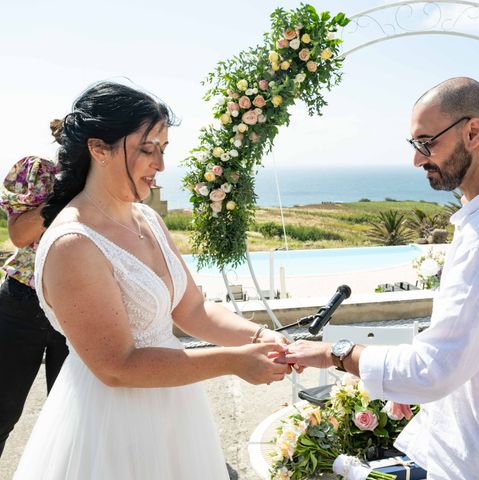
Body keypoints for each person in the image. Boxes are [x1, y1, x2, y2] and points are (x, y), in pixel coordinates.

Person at [284, 77, 479, 479]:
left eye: (427, 143)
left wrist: (332, 353)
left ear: (473, 132)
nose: (418, 160)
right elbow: (478, 340)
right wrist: (408, 386)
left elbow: (431, 371)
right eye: (415, 145)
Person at [13, 81, 291, 479]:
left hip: (176, 411)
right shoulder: (73, 244)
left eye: (163, 149)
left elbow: (192, 308)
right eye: (147, 149)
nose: (160, 165)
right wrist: (233, 362)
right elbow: (116, 366)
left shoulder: (148, 219)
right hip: (112, 424)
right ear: (98, 149)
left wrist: (258, 338)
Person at [0, 152, 69, 458]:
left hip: (75, 310)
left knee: (72, 420)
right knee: (2, 413)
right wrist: (61, 195)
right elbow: (18, 236)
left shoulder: (113, 182)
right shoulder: (41, 173)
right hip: (21, 304)